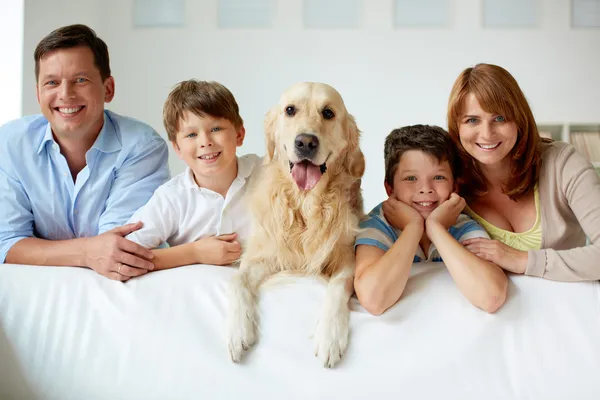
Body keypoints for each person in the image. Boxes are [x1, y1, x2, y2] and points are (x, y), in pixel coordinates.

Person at [0, 24, 169, 281]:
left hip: (124, 292)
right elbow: (6, 242)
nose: (65, 94)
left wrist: (42, 249)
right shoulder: (10, 144)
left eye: (81, 80)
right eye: (52, 82)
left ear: (108, 88)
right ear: (38, 93)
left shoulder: (143, 147)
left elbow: (120, 249)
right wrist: (86, 252)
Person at [447, 63, 600, 282]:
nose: (487, 133)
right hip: (495, 312)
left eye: (499, 118)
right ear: (457, 126)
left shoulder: (562, 163)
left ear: (519, 119)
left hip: (565, 310)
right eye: (472, 120)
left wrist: (522, 260)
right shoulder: (446, 183)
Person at [354, 125, 507, 315]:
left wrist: (436, 229)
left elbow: (491, 296)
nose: (425, 188)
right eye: (410, 178)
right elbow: (374, 300)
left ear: (455, 187)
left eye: (438, 177)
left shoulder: (461, 224)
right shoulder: (376, 224)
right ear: (390, 188)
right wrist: (412, 228)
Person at [124, 80, 261, 271]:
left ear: (239, 134)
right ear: (177, 148)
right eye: (191, 135)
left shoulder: (267, 173)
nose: (205, 142)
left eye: (216, 129)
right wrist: (194, 253)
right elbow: (125, 255)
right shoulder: (172, 197)